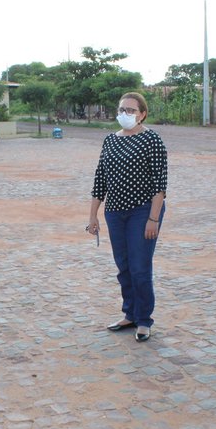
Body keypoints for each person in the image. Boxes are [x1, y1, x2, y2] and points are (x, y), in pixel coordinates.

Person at [87, 92, 167, 342]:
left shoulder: (152, 140)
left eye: (131, 110)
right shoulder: (110, 140)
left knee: (140, 267)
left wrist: (153, 219)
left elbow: (160, 184)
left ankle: (144, 320)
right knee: (123, 267)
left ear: (143, 114)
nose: (125, 114)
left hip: (142, 211)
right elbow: (100, 180)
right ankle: (129, 314)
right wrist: (93, 215)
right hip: (115, 212)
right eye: (122, 109)